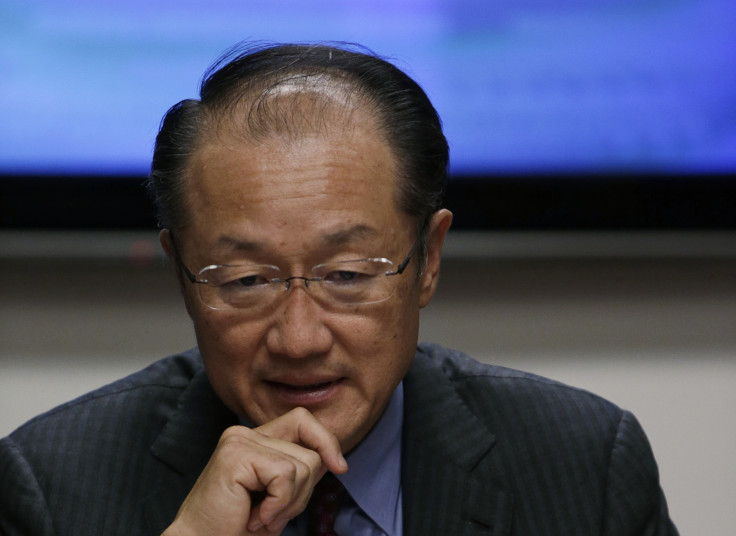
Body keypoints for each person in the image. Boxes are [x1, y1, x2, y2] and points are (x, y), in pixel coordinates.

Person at [0, 42, 678, 536]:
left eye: (348, 275)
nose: (299, 338)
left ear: (430, 258)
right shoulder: (53, 484)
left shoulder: (584, 464)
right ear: (181, 274)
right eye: (244, 280)